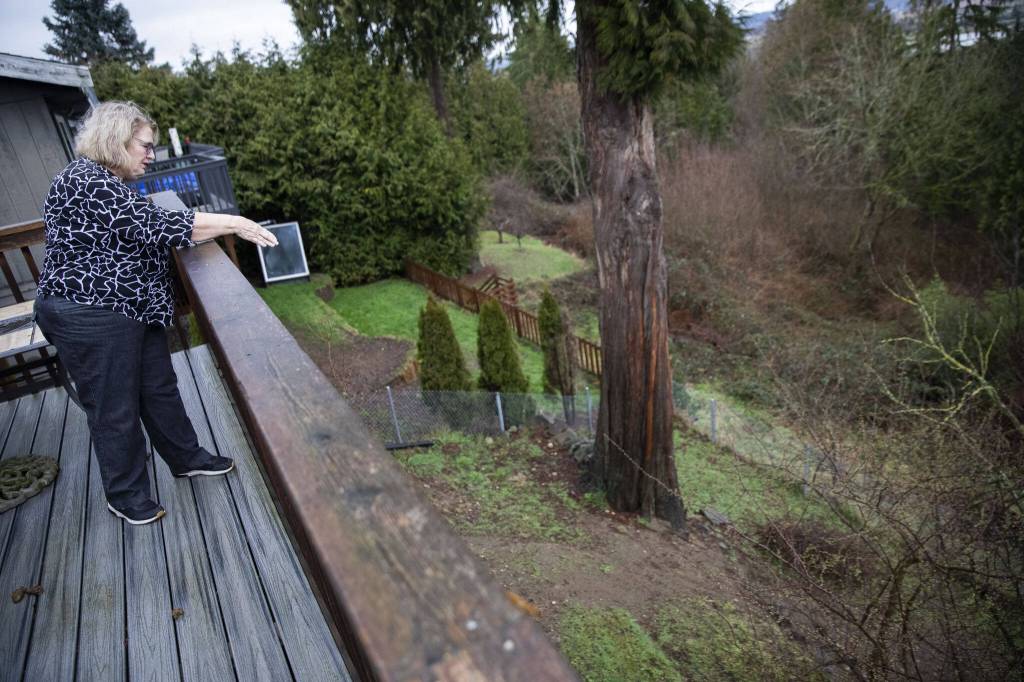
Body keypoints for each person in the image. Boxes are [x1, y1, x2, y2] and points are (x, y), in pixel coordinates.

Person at [34, 101, 279, 526]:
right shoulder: (85, 180)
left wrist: (222, 225)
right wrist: (234, 221)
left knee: (159, 388)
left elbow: (145, 225)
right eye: (144, 145)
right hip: (88, 313)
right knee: (114, 407)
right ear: (116, 141)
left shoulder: (109, 182)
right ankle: (125, 495)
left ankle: (186, 457)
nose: (151, 154)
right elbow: (156, 224)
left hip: (131, 309)